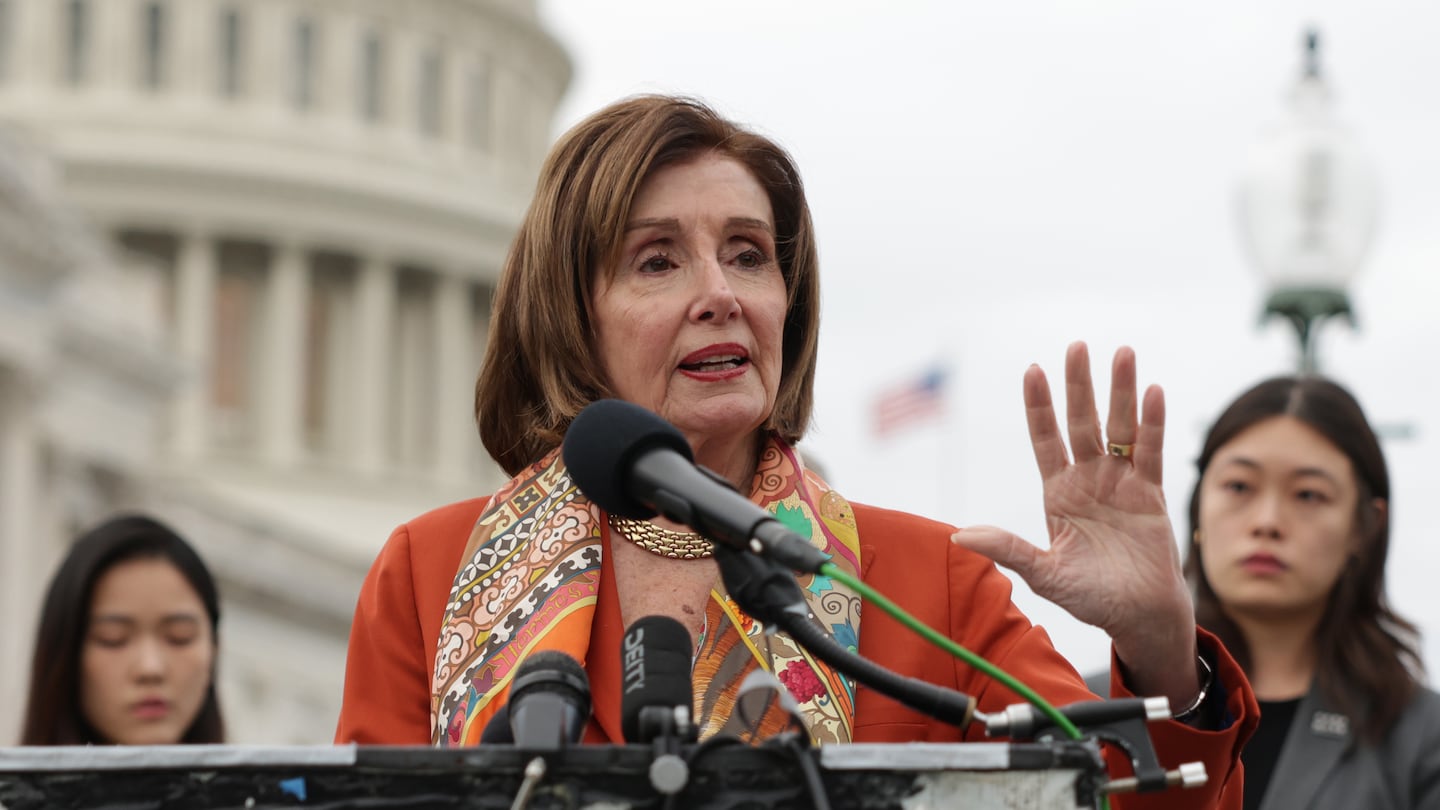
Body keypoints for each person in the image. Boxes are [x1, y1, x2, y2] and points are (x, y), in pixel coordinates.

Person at [335, 94, 1255, 807]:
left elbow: (1120, 799)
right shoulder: (431, 572)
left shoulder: (925, 577)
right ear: (569, 316)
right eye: (657, 260)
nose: (719, 293)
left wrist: (1160, 649)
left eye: (748, 254)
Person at [1182, 376, 1440, 809]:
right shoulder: (1091, 710)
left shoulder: (1421, 736)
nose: (1267, 522)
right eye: (1239, 486)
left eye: (1308, 494)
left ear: (1365, 527)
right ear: (1198, 508)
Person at [20, 513, 225, 745]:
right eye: (112, 638)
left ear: (214, 648)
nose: (150, 668)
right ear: (66, 654)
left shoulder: (268, 781)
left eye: (180, 636)